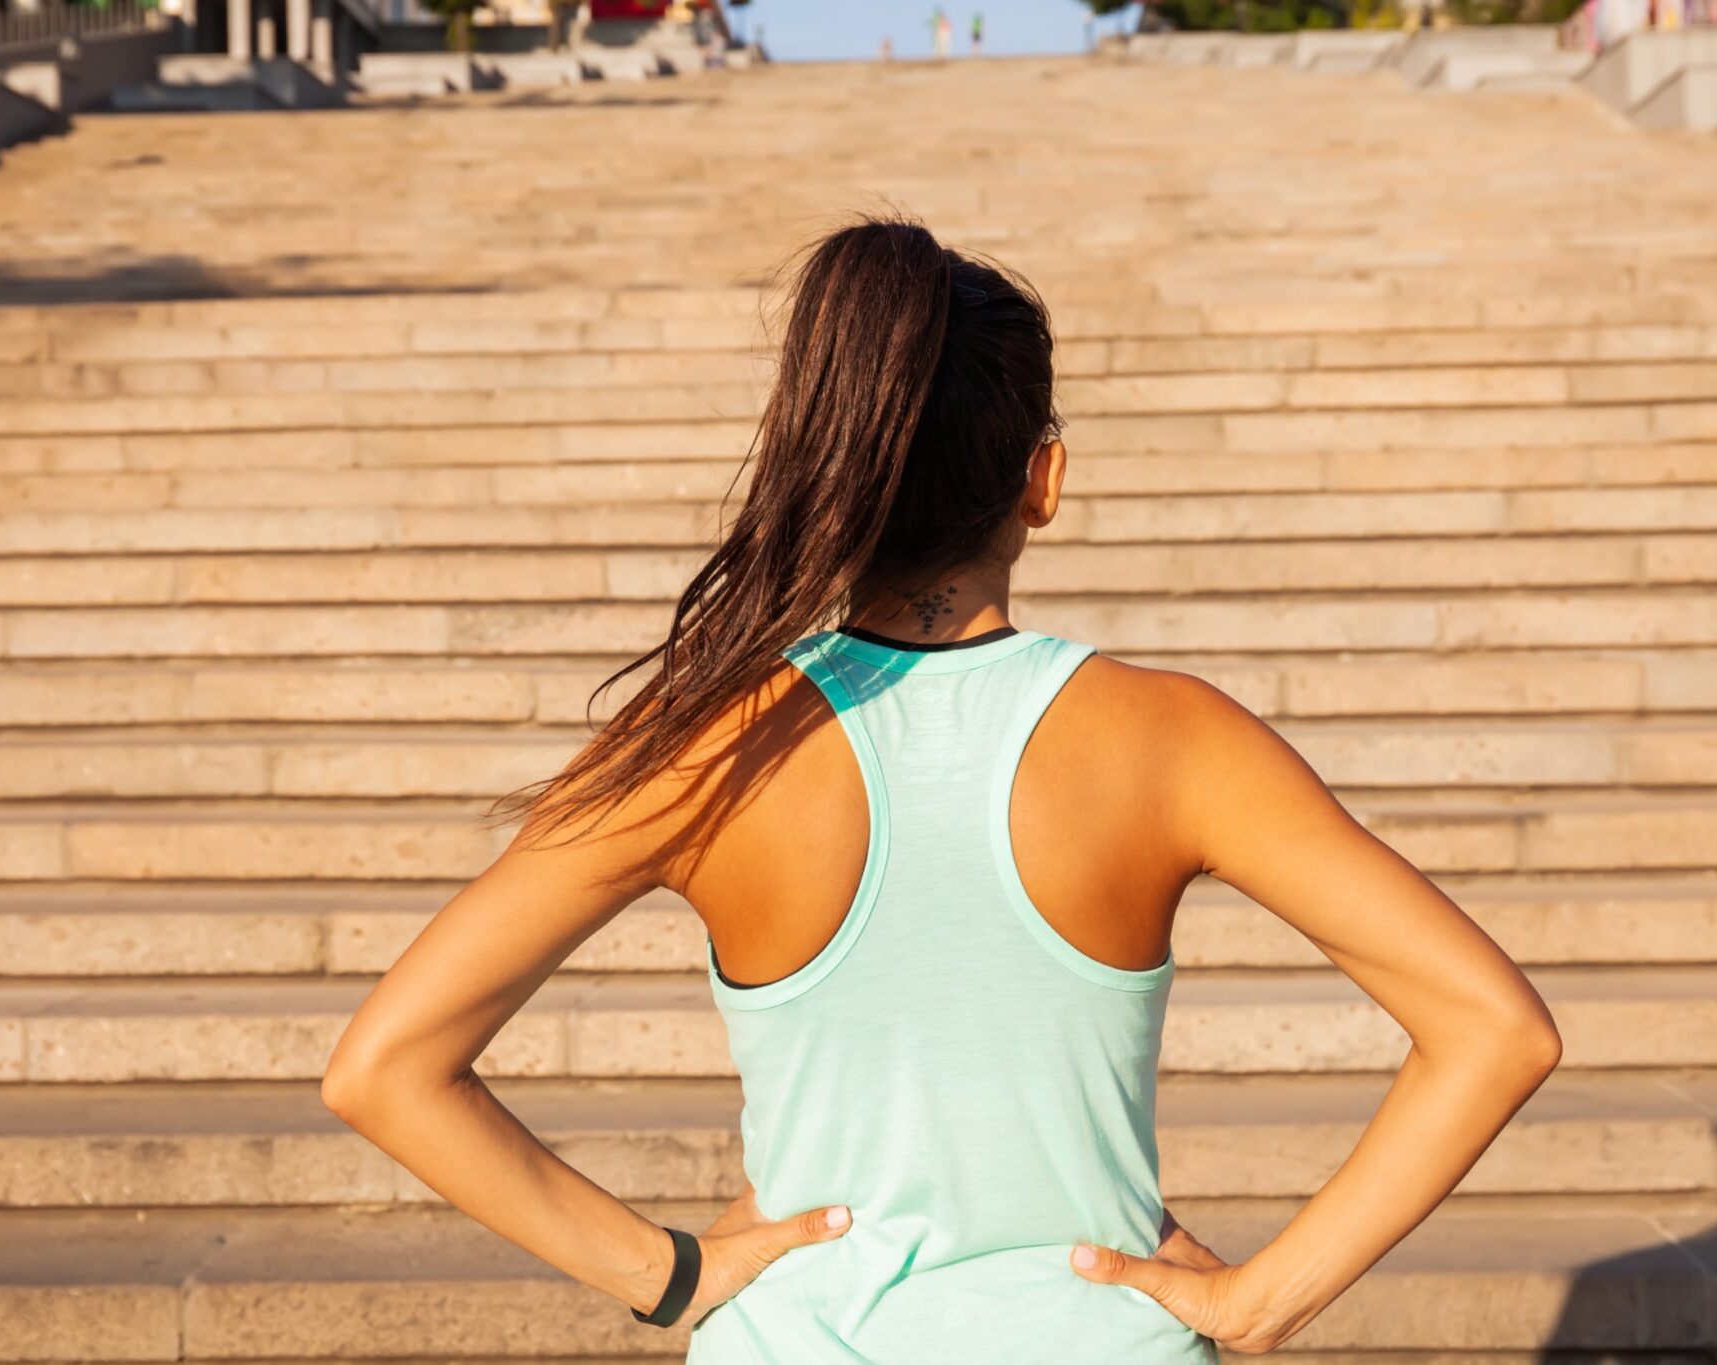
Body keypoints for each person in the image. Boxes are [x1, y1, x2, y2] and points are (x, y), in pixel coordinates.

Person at [321, 218, 1563, 1361]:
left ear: (827, 475)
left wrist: (667, 1273)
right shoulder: (1174, 739)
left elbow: (384, 1069)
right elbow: (1493, 1030)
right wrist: (1258, 1304)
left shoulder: (706, 743)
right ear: (1043, 480)